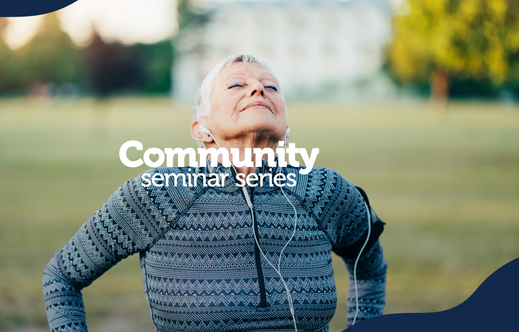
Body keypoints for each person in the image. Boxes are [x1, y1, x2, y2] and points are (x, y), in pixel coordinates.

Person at [42, 54, 387, 332]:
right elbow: (62, 277)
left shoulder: (324, 190)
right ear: (201, 130)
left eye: (271, 87)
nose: (258, 90)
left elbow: (369, 269)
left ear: (286, 126)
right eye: (237, 84)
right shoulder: (157, 195)